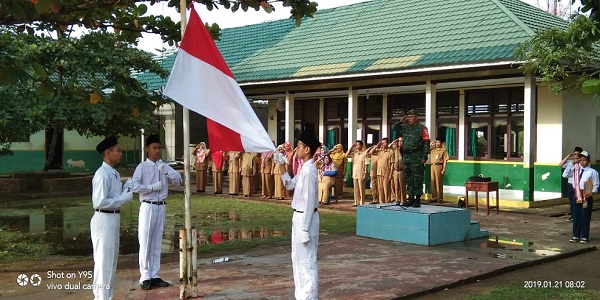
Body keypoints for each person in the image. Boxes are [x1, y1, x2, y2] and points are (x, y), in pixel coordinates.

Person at [131, 134, 182, 290]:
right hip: (148, 205)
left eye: (159, 148)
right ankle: (145, 275)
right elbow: (134, 186)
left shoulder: (163, 166)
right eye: (154, 148)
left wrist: (166, 172)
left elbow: (179, 180)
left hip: (161, 205)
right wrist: (151, 187)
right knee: (145, 240)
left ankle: (154, 274)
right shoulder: (142, 167)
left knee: (156, 241)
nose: (157, 151)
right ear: (147, 149)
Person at [277, 132, 321, 300]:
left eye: (299, 146)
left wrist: (305, 228)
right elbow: (290, 185)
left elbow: (310, 201)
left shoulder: (310, 170)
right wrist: (281, 164)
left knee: (308, 261)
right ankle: (302, 295)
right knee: (297, 259)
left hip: (306, 219)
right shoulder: (304, 168)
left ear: (307, 149)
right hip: (298, 217)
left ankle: (310, 296)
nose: (296, 149)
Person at [90, 136, 133, 299]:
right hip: (104, 220)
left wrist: (126, 190)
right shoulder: (102, 174)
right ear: (108, 153)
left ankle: (106, 296)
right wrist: (123, 199)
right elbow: (99, 202)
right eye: (118, 150)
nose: (120, 153)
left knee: (111, 262)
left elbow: (114, 196)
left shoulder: (113, 173)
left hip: (113, 219)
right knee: (103, 263)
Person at [392, 109, 430, 208]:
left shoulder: (422, 128)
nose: (409, 119)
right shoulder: (405, 127)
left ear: (416, 117)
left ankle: (417, 199)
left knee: (417, 178)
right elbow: (394, 128)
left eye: (411, 117)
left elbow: (426, 143)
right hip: (407, 157)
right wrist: (401, 121)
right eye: (408, 117)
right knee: (408, 178)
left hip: (416, 156)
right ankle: (410, 198)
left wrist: (424, 156)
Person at [562, 150, 598, 244]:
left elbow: (596, 184)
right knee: (576, 215)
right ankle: (575, 235)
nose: (583, 162)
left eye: (585, 160)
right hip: (576, 195)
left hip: (586, 195)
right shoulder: (575, 169)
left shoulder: (592, 172)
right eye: (581, 160)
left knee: (585, 215)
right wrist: (571, 164)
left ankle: (585, 236)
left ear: (588, 160)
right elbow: (565, 175)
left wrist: (592, 192)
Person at [559, 146, 583, 221]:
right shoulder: (570, 162)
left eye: (578, 155)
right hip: (570, 184)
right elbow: (560, 165)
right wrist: (568, 156)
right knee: (572, 201)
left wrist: (579, 160)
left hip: (578, 184)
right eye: (575, 154)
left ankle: (578, 215)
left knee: (578, 201)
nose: (576, 156)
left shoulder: (582, 163)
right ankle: (573, 215)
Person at [367, 138, 394, 203]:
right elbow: (370, 153)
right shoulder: (380, 151)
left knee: (386, 189)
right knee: (380, 189)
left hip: (386, 173)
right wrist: (377, 145)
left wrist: (390, 174)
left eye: (384, 143)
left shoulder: (390, 151)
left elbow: (392, 164)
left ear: (387, 143)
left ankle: (387, 202)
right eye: (382, 143)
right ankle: (381, 202)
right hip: (379, 173)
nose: (383, 144)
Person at [345, 140, 368, 206]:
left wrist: (365, 173)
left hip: (361, 172)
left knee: (361, 188)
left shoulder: (364, 153)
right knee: (356, 188)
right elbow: (346, 155)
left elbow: (366, 164)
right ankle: (356, 202)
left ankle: (362, 202)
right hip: (355, 173)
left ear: (361, 145)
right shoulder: (354, 153)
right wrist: (352, 146)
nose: (357, 146)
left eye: (358, 145)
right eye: (356, 145)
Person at [429, 139, 449, 203]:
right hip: (432, 166)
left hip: (439, 166)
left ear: (441, 143)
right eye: (436, 142)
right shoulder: (433, 149)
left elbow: (445, 160)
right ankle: (434, 197)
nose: (437, 143)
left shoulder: (444, 150)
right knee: (433, 182)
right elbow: (426, 150)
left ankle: (439, 198)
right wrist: (431, 143)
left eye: (439, 142)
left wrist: (444, 169)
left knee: (438, 182)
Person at [390, 138, 406, 204]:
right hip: (395, 170)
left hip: (402, 170)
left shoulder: (405, 150)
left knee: (402, 186)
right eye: (398, 141)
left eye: (401, 141)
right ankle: (397, 199)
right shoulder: (395, 150)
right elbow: (389, 146)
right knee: (396, 186)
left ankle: (403, 200)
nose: (399, 142)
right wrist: (395, 141)